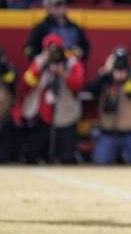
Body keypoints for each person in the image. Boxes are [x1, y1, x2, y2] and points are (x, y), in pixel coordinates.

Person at [12, 33, 84, 164]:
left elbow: (78, 85)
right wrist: (39, 68)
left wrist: (63, 73)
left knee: (66, 159)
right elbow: (26, 83)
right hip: (43, 118)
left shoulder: (71, 62)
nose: (53, 54)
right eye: (49, 50)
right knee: (31, 156)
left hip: (65, 117)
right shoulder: (39, 61)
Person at [87, 47, 131, 165]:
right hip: (109, 132)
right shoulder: (106, 77)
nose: (120, 66)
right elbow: (92, 90)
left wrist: (125, 80)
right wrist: (105, 72)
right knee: (99, 162)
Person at [24, 0, 90, 62]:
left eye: (62, 5)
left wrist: (80, 52)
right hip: (49, 65)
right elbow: (29, 49)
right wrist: (38, 56)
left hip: (69, 65)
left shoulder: (74, 28)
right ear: (49, 8)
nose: (59, 8)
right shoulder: (41, 28)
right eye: (56, 5)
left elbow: (85, 47)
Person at [0, 48, 16, 163]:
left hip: (5, 113)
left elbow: (11, 79)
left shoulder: (8, 70)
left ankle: (5, 157)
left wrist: (3, 67)